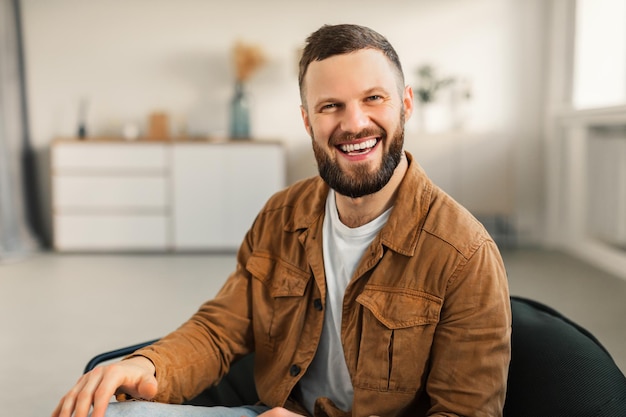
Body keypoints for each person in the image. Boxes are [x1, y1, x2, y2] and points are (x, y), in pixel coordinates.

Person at [53, 24, 511, 417]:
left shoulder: (466, 254)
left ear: (406, 104)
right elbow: (221, 329)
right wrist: (148, 366)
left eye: (374, 98)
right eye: (330, 106)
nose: (355, 124)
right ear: (307, 121)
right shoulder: (280, 216)